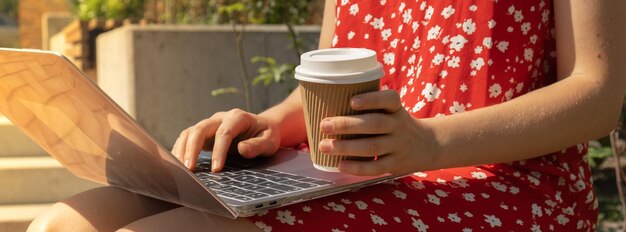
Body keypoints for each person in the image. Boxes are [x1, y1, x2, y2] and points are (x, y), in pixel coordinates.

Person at [28, 0, 626, 231]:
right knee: (62, 224)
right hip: (351, 172)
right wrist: (275, 123)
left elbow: (598, 93)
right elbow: (328, 80)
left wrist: (429, 145)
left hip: (499, 188)